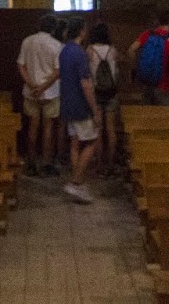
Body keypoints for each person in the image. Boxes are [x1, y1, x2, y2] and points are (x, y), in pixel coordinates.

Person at [56, 16, 99, 204]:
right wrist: (94, 109)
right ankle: (75, 182)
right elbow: (85, 84)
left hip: (67, 102)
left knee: (75, 143)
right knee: (92, 141)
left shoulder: (64, 51)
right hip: (81, 104)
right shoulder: (79, 53)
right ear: (82, 31)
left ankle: (79, 184)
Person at [15, 14, 61, 175]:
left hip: (31, 91)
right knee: (48, 127)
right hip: (50, 92)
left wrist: (31, 84)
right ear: (53, 29)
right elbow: (57, 71)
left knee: (32, 126)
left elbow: (21, 65)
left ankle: (31, 162)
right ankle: (46, 163)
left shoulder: (27, 41)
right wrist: (43, 87)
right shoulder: (56, 45)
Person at [86, 21, 121, 176]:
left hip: (96, 92)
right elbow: (116, 71)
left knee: (98, 129)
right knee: (111, 129)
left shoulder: (90, 50)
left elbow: (87, 73)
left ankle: (99, 164)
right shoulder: (113, 50)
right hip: (111, 93)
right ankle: (111, 164)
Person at [129, 9, 169, 105]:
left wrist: (135, 68)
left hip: (145, 85)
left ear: (158, 22)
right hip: (162, 87)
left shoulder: (147, 34)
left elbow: (131, 49)